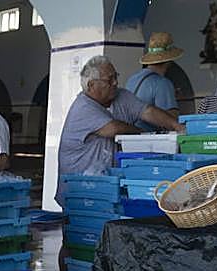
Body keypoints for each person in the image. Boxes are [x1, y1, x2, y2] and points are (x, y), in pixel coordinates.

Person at [55, 56, 182, 191]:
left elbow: (147, 111)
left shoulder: (121, 96)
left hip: (105, 184)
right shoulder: (83, 107)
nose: (115, 83)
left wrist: (177, 126)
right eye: (109, 80)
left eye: (116, 77)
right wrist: (143, 134)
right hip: (79, 189)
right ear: (91, 85)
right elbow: (114, 129)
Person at [125, 32, 182, 132]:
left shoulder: (131, 80)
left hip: (130, 137)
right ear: (169, 60)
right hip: (151, 140)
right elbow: (172, 120)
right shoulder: (162, 83)